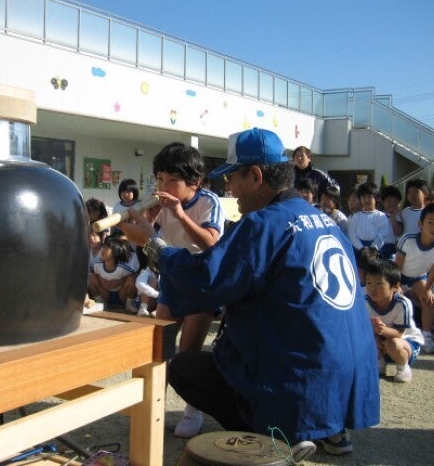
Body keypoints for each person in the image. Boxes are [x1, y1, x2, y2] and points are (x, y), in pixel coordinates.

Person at [119, 127, 380, 454]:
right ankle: (330, 427)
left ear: (256, 176)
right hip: (350, 378)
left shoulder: (263, 224)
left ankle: (280, 432)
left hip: (301, 376)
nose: (229, 189)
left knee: (186, 369)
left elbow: (207, 278)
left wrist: (151, 243)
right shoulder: (325, 220)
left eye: (232, 178)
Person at [138, 141, 225, 438]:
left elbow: (211, 242)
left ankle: (192, 411)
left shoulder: (209, 201)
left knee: (187, 355)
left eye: (172, 180)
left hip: (201, 283)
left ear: (194, 182)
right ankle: (153, 409)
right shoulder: (161, 204)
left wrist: (179, 213)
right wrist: (148, 219)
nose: (164, 186)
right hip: (172, 279)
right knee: (159, 348)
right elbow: (148, 239)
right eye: (160, 179)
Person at [395, 203, 434, 354]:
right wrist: (397, 284)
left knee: (429, 300)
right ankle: (396, 333)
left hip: (417, 276)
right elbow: (397, 264)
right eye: (430, 222)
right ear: (420, 224)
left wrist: (428, 289)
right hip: (398, 274)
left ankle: (426, 336)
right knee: (395, 299)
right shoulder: (407, 239)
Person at [365, 259, 424, 383]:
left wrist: (383, 330)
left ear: (395, 286)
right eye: (369, 282)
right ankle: (379, 363)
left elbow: (399, 333)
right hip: (381, 342)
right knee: (366, 338)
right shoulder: (364, 301)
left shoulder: (402, 303)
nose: (372, 288)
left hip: (405, 342)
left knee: (392, 343)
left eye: (379, 283)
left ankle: (403, 368)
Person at [87, 234, 137, 310]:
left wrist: (120, 281)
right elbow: (96, 276)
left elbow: (132, 278)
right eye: (103, 247)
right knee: (91, 277)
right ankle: (100, 302)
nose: (103, 250)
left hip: (121, 294)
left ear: (115, 251)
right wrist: (102, 280)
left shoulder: (123, 268)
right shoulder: (97, 265)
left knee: (132, 279)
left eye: (106, 248)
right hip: (105, 293)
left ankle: (129, 303)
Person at [347, 181, 394, 259]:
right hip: (359, 250)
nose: (366, 200)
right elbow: (352, 235)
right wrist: (361, 248)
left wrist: (373, 248)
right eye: (363, 197)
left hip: (376, 251)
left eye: (369, 197)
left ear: (376, 198)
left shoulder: (381, 216)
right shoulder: (355, 217)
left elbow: (382, 234)